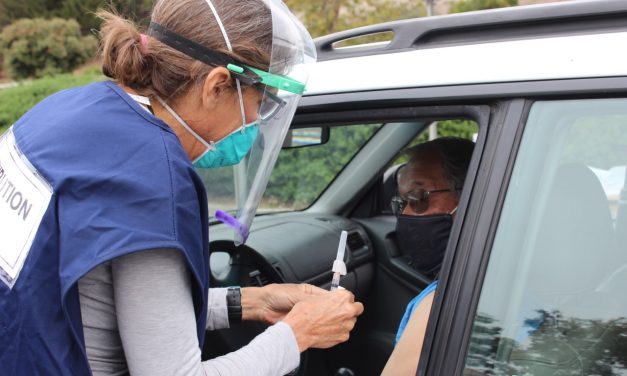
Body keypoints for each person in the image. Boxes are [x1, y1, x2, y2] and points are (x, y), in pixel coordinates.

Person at [0, 1, 363, 375]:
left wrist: (250, 302)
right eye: (262, 101)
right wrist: (298, 333)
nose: (257, 119)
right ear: (217, 85)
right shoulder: (149, 181)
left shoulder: (64, 112)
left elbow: (115, 301)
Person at [381, 136, 474, 376]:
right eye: (402, 202)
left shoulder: (441, 307)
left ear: (470, 196)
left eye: (418, 197)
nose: (407, 214)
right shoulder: (506, 267)